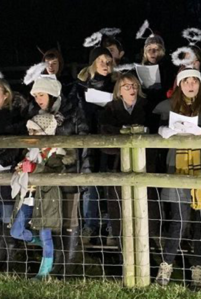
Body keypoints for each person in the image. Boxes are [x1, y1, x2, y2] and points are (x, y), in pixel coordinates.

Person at [153, 68, 201, 288]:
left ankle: (197, 272)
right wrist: (165, 131)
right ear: (179, 85)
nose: (191, 85)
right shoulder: (169, 106)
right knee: (178, 222)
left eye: (194, 81)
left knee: (200, 223)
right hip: (177, 167)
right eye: (186, 82)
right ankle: (166, 268)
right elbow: (158, 130)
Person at [25, 76, 87, 275]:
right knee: (52, 220)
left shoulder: (72, 111)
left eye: (41, 95)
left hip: (69, 172)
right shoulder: (35, 113)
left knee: (69, 219)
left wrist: (84, 170)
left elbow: (84, 139)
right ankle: (54, 266)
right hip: (45, 173)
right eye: (35, 96)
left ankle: (67, 267)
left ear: (52, 94)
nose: (37, 99)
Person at [10, 113, 76, 280]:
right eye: (29, 132)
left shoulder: (57, 153)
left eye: (34, 132)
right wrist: (21, 168)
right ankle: (42, 245)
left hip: (46, 197)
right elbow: (26, 168)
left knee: (46, 235)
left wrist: (32, 168)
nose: (31, 135)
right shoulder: (30, 151)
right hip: (29, 195)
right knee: (16, 231)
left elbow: (52, 171)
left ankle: (43, 273)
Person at [98, 72, 159, 246]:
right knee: (119, 208)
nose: (131, 89)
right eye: (127, 86)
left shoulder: (148, 108)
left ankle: (148, 243)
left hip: (145, 165)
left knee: (145, 206)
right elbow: (104, 137)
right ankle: (121, 245)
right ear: (119, 91)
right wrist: (126, 136)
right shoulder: (109, 110)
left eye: (134, 86)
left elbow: (154, 134)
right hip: (117, 166)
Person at [68, 47, 115, 244]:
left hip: (110, 139)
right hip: (87, 139)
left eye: (109, 61)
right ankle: (90, 225)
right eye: (101, 60)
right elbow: (74, 111)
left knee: (112, 183)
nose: (106, 64)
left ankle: (113, 226)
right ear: (93, 62)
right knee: (90, 183)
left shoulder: (115, 84)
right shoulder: (79, 87)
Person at [0, 78, 27, 269]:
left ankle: (9, 263)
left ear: (6, 94)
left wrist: (3, 161)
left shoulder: (14, 116)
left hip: (6, 172)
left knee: (6, 217)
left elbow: (16, 143)